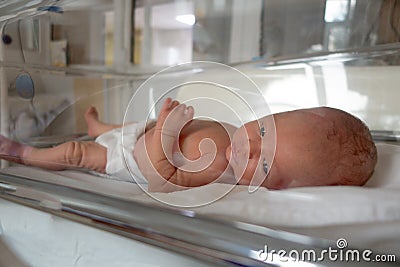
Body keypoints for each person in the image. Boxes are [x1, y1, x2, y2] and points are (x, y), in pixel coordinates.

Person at [0, 98, 377, 192]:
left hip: (124, 159)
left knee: (76, 152)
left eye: (263, 166)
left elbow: (161, 177)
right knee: (126, 124)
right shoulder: (234, 136)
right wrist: (163, 123)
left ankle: (25, 154)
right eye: (264, 133)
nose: (250, 149)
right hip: (139, 132)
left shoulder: (217, 170)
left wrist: (167, 132)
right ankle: (101, 125)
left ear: (274, 186)